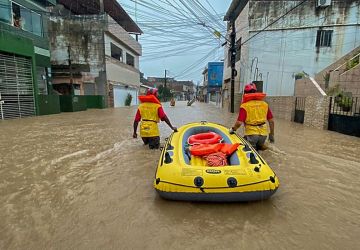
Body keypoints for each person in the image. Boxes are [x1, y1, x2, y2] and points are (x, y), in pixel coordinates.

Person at [229, 83, 275, 151]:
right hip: (263, 135)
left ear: (245, 93)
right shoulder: (264, 104)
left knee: (249, 151)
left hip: (251, 135)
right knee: (259, 150)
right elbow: (271, 121)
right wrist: (271, 134)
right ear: (255, 92)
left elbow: (239, 123)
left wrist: (233, 129)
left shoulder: (244, 106)